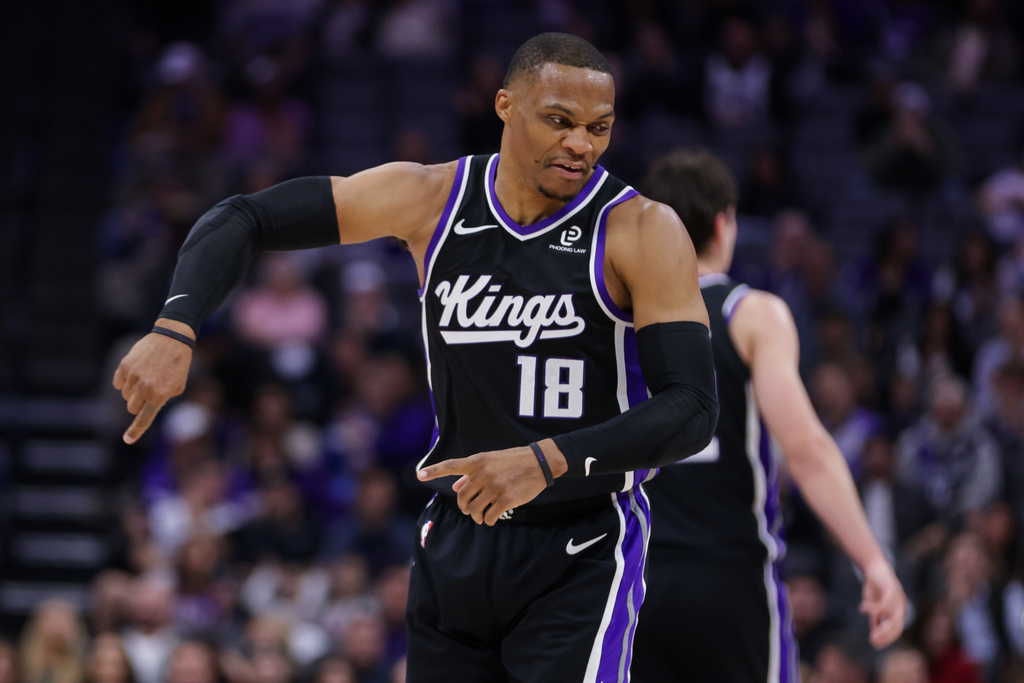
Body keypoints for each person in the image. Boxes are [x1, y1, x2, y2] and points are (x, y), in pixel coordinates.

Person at [112, 33, 719, 682]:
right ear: (505, 106)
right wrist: (175, 325)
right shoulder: (433, 198)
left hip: (583, 538)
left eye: (598, 128)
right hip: (457, 536)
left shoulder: (641, 229)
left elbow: (692, 409)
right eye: (560, 121)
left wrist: (549, 459)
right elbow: (244, 218)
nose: (581, 144)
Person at [631, 149, 906, 683]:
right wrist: (872, 560)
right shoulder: (751, 314)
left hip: (635, 580)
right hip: (730, 574)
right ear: (723, 222)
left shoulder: (616, 321)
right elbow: (805, 450)